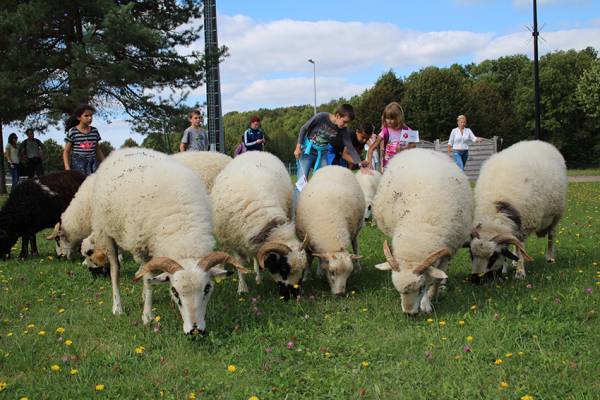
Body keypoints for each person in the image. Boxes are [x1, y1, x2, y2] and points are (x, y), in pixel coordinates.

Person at [294, 104, 368, 182]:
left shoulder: (343, 129)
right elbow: (304, 129)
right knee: (301, 183)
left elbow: (350, 148)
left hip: (323, 154)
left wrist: (360, 164)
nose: (346, 125)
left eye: (348, 123)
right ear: (337, 115)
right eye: (345, 122)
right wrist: (298, 147)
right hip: (308, 151)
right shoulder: (321, 117)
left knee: (325, 181)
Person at [366, 102, 416, 172]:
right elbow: (371, 148)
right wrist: (369, 164)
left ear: (398, 118)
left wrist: (403, 148)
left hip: (404, 166)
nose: (389, 121)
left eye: (392, 118)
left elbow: (414, 145)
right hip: (388, 168)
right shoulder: (385, 131)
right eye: (387, 118)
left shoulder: (407, 130)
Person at [63, 104, 105, 175]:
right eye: (86, 116)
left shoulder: (94, 131)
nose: (90, 118)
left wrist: (105, 163)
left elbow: (98, 149)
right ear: (79, 117)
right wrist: (67, 169)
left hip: (93, 165)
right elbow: (66, 152)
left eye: (91, 116)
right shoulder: (73, 131)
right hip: (78, 165)